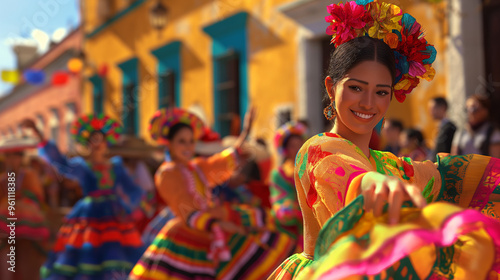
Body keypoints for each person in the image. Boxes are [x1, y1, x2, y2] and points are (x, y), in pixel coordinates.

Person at [268, 1, 500, 279]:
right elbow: (352, 177)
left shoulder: (392, 165)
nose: (368, 103)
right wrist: (377, 185)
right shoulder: (318, 148)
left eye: (381, 92)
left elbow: (451, 176)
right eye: (356, 88)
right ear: (331, 87)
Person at [130, 107, 295, 280]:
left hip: (210, 225)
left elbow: (223, 162)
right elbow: (186, 210)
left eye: (191, 141)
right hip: (187, 234)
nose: (188, 146)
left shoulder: (196, 167)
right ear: (169, 144)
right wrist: (217, 224)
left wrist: (245, 132)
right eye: (182, 141)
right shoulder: (166, 174)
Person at [22, 114, 146, 280]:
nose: (97, 144)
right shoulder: (83, 166)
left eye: (100, 139)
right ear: (87, 144)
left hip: (115, 216)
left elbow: (133, 190)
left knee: (115, 256)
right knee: (87, 255)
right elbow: (60, 162)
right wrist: (39, 136)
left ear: (106, 143)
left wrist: (134, 208)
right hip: (89, 215)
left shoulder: (116, 166)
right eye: (93, 140)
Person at [0, 140, 50, 280]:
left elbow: (37, 196)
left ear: (21, 158)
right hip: (7, 226)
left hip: (27, 223)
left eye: (15, 156)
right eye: (9, 156)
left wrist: (18, 198)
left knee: (28, 256)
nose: (12, 160)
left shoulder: (29, 175)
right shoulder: (3, 179)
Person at [269, 121, 307, 253]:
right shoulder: (279, 174)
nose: (297, 149)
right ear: (285, 150)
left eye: (299, 145)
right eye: (292, 146)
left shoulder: (313, 169)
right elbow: (280, 202)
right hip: (291, 231)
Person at [451, 93, 500, 158]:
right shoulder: (462, 130)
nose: (470, 112)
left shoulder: (492, 131)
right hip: (463, 168)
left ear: (485, 110)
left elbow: (496, 159)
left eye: (474, 109)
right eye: (467, 109)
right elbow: (454, 156)